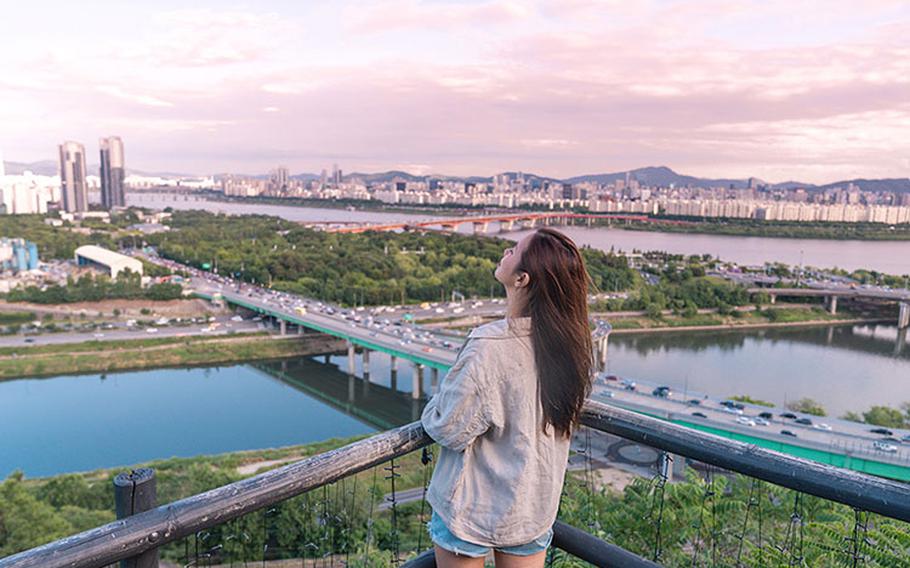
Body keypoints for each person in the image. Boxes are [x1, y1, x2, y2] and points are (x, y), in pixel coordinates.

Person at [421, 227, 594, 567]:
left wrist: (432, 407)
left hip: (471, 508)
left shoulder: (489, 346)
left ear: (522, 279)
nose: (505, 252)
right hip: (531, 506)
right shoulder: (572, 347)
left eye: (513, 251)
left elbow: (448, 429)